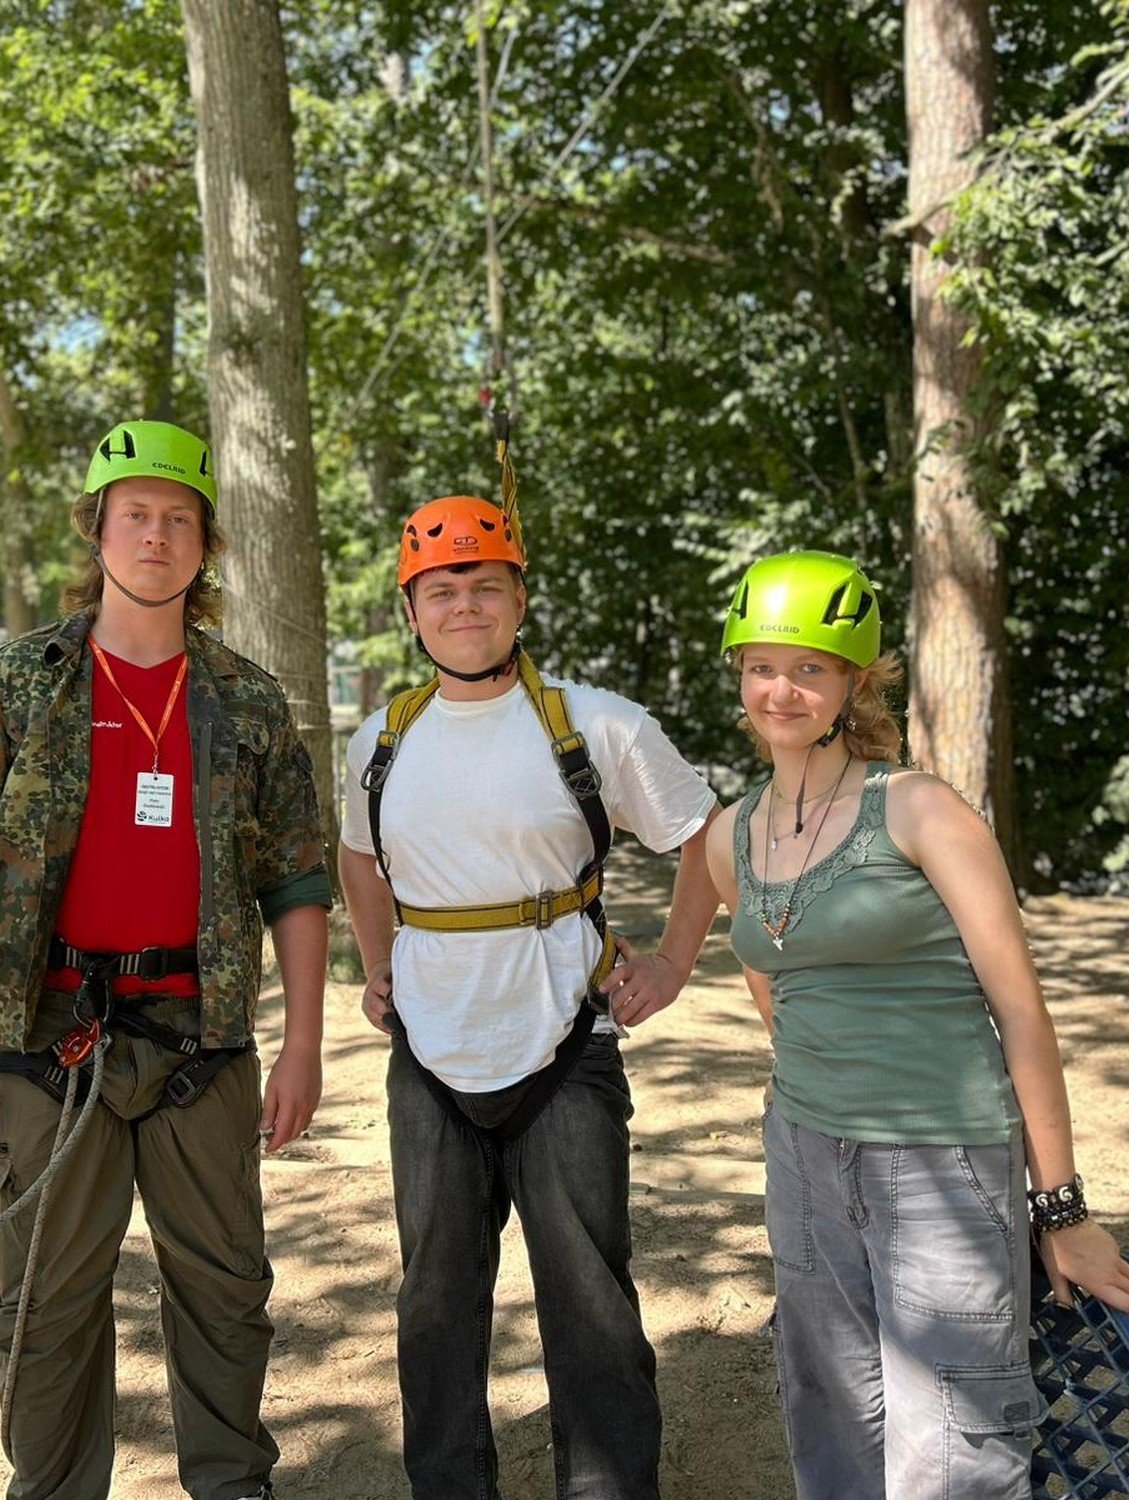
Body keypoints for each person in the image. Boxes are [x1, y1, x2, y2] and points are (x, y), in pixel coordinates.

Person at [0, 419, 330, 1500]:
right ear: (97, 530)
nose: (156, 536)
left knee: (225, 1297)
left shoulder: (247, 701)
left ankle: (232, 1486)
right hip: (49, 1041)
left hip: (200, 1042)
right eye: (135, 514)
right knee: (43, 1305)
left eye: (179, 518)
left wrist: (302, 1047)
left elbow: (297, 885)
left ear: (207, 545)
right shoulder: (18, 686)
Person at [703, 550, 1129, 1499]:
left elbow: (1020, 1011)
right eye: (762, 666)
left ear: (853, 681)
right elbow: (776, 990)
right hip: (803, 1152)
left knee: (954, 1438)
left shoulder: (919, 808)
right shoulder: (728, 834)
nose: (782, 690)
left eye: (809, 668)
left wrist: (1061, 1211)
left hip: (942, 1155)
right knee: (830, 1410)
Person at [337, 493, 721, 1499]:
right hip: (428, 1053)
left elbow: (704, 837)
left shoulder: (596, 725)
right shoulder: (380, 741)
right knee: (433, 1304)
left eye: (484, 586)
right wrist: (377, 962)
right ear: (410, 611)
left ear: (520, 600)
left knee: (590, 1303)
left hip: (565, 1047)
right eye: (440, 590)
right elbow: (357, 855)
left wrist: (672, 964)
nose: (463, 606)